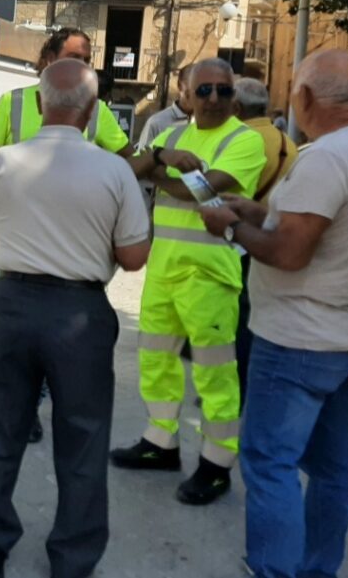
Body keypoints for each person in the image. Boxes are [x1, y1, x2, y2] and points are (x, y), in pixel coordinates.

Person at [200, 50, 348, 578]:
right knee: (331, 468)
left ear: (307, 97)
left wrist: (228, 227)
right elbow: (317, 223)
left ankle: (274, 569)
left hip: (297, 341)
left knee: (269, 462)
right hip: (345, 337)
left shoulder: (326, 158)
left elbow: (290, 253)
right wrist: (257, 213)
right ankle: (317, 568)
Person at [0, 59, 150, 578]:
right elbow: (135, 257)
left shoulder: (4, 162)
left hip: (10, 304)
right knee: (83, 439)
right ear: (93, 111)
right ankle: (72, 558)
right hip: (78, 314)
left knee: (0, 429)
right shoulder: (113, 170)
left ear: (41, 102)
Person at [0, 27, 135, 446]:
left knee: (50, 336)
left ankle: (26, 408)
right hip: (9, 242)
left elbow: (125, 159)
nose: (82, 65)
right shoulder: (13, 102)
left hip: (65, 247)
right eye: (73, 57)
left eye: (87, 59)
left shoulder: (95, 111)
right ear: (47, 59)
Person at [110, 58, 266, 505]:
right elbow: (128, 170)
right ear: (188, 95)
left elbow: (205, 191)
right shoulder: (172, 136)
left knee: (216, 376)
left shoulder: (245, 140)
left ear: (234, 95)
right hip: (163, 271)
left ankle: (216, 465)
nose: (214, 98)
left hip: (209, 276)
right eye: (204, 90)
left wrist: (158, 171)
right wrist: (161, 157)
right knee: (156, 364)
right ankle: (160, 443)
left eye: (223, 90)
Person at [232, 77, 297, 403]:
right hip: (276, 235)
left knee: (239, 316)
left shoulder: (239, 141)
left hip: (241, 237)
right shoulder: (288, 143)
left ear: (236, 107)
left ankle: (238, 387)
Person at [136, 66, 193, 149]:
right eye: (191, 83)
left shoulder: (210, 123)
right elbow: (143, 155)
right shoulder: (156, 123)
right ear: (179, 85)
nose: (196, 91)